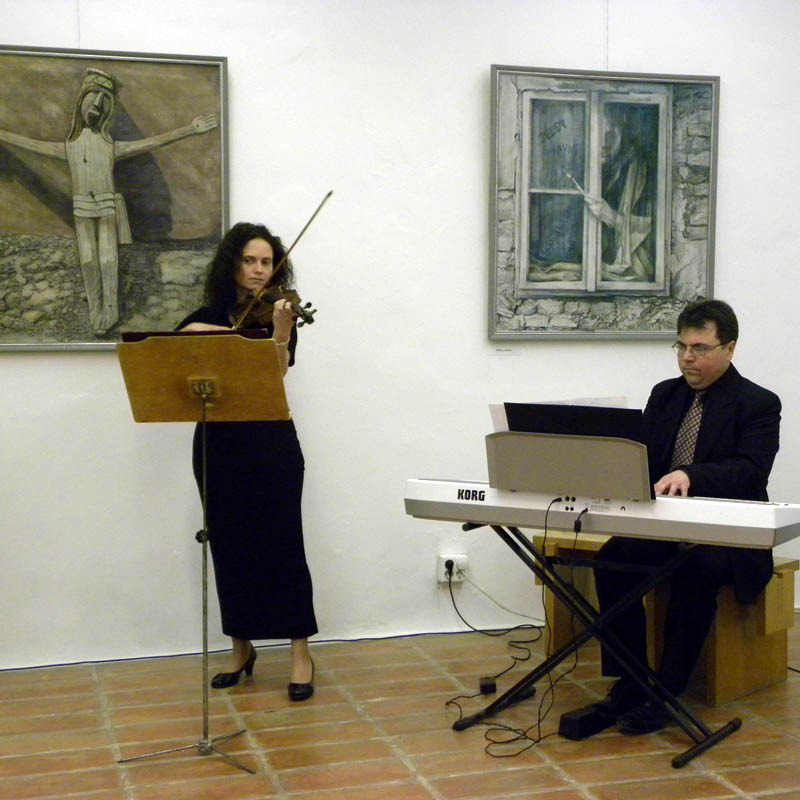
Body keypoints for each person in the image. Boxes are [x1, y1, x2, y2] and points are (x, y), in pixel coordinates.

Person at [561, 298, 781, 737]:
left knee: (696, 570)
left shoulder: (757, 403)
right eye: (681, 346)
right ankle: (631, 680)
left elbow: (751, 471)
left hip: (728, 533)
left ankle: (666, 691)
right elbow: (645, 458)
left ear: (729, 348)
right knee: (612, 560)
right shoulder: (665, 394)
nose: (687, 357)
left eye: (700, 348)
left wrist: (691, 474)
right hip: (665, 525)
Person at [177, 222, 316, 701]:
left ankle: (301, 653)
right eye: (249, 261)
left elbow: (275, 374)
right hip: (217, 444)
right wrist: (217, 333)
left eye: (266, 262)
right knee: (229, 545)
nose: (258, 270)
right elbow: (181, 343)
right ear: (232, 264)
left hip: (270, 440)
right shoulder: (209, 314)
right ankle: (241, 648)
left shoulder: (280, 313)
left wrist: (280, 332)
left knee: (284, 544)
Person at [0, 67, 217, 332]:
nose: (97, 106)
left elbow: (151, 143)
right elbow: (30, 144)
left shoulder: (109, 146)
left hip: (106, 208)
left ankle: (110, 311)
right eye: (93, 98)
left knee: (107, 261)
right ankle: (96, 313)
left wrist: (189, 129)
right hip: (82, 210)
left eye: (104, 102)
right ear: (81, 101)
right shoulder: (71, 146)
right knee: (89, 262)